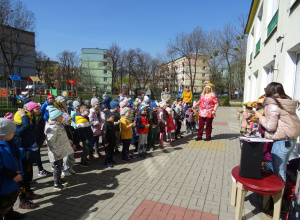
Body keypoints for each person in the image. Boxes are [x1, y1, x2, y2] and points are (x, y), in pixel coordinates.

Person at [255, 82, 300, 182]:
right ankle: (278, 195)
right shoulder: (285, 103)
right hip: (290, 141)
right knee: (282, 170)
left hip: (281, 142)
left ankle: (277, 196)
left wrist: (259, 116)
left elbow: (270, 126)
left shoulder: (273, 104)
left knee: (278, 173)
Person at [14, 108, 41, 209]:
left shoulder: (27, 128)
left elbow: (33, 124)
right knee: (23, 180)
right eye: (27, 119)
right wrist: (23, 116)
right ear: (21, 121)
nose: (30, 121)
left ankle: (29, 193)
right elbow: (25, 126)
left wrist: (30, 115)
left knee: (28, 177)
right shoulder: (18, 131)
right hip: (23, 158)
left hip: (29, 157)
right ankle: (23, 200)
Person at [0, 118, 25, 220]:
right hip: (4, 182)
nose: (14, 133)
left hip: (13, 179)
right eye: (12, 131)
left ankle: (9, 214)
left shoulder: (10, 142)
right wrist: (12, 174)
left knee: (10, 199)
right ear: (5, 135)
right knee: (2, 202)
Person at [44, 107, 74, 190]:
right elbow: (50, 142)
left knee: (60, 166)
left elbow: (62, 136)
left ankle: (59, 179)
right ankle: (56, 183)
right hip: (56, 152)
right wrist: (57, 153)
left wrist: (68, 141)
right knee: (57, 167)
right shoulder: (52, 128)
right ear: (56, 118)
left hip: (60, 149)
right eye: (61, 116)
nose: (63, 118)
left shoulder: (58, 125)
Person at [27, 101, 52, 177]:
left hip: (38, 141)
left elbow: (42, 132)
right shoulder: (28, 119)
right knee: (29, 160)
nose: (39, 110)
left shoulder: (41, 119)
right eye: (36, 109)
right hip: (30, 142)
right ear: (31, 110)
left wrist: (40, 142)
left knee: (38, 156)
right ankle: (28, 176)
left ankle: (40, 170)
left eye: (39, 108)